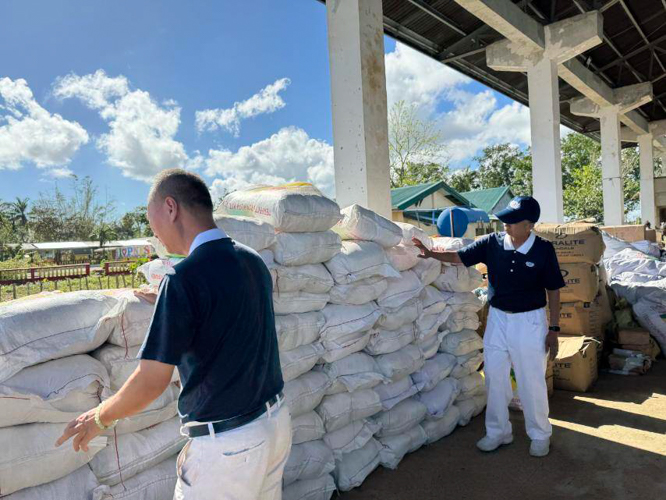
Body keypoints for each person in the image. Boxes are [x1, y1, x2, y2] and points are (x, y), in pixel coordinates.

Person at [56, 169, 290, 500]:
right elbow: (223, 313)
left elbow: (152, 380)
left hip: (228, 449)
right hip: (275, 424)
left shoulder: (182, 278)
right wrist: (170, 301)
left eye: (153, 225)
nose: (157, 237)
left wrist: (99, 418)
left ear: (171, 208)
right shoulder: (252, 261)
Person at [413, 196, 565, 458]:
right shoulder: (492, 243)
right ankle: (498, 432)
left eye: (512, 220)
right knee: (494, 377)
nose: (505, 223)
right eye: (504, 218)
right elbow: (461, 257)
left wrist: (553, 328)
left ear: (529, 225)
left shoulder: (543, 249)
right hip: (498, 319)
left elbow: (553, 289)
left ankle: (540, 434)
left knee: (531, 381)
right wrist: (431, 254)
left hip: (530, 321)